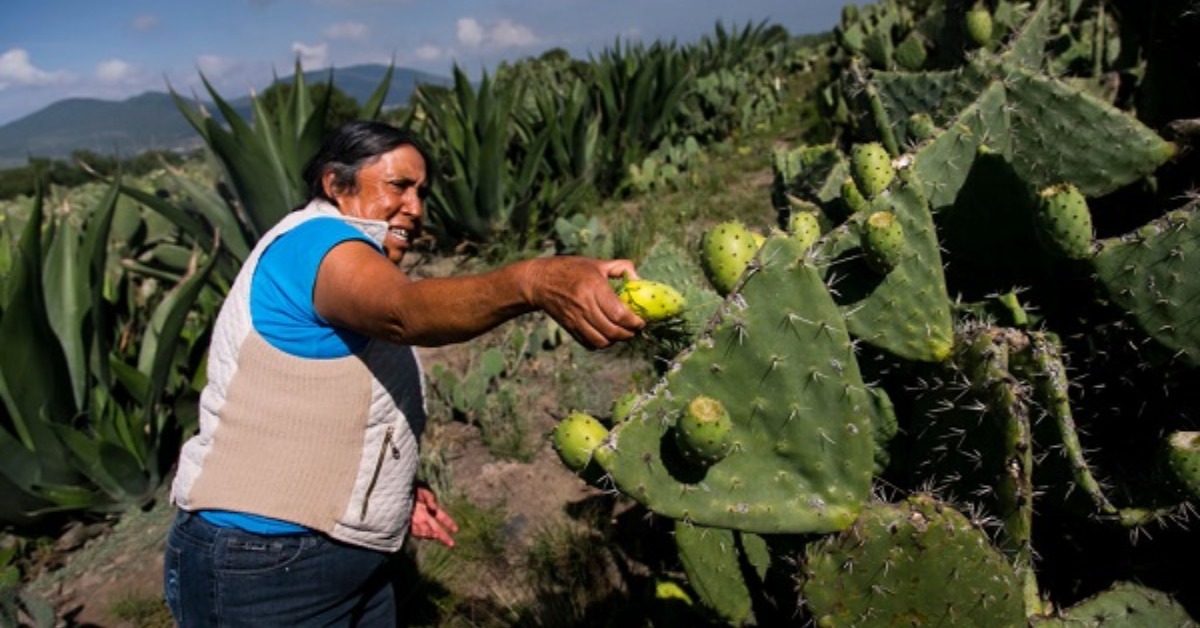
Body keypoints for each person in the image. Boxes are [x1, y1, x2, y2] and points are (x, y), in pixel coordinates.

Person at [163, 120, 645, 626]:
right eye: (398, 187)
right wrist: (534, 280)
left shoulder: (344, 255)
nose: (414, 208)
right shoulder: (316, 244)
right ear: (335, 184)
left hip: (334, 557)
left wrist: (386, 489)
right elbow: (404, 311)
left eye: (421, 192)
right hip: (262, 564)